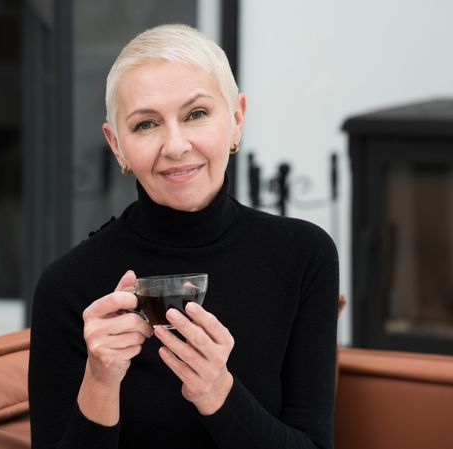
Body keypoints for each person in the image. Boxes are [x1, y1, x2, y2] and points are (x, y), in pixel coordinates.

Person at [28, 23, 339, 449]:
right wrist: (100, 380)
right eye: (145, 124)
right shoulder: (67, 286)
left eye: (196, 114)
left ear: (236, 119)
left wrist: (217, 393)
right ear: (117, 145)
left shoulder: (304, 256)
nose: (175, 146)